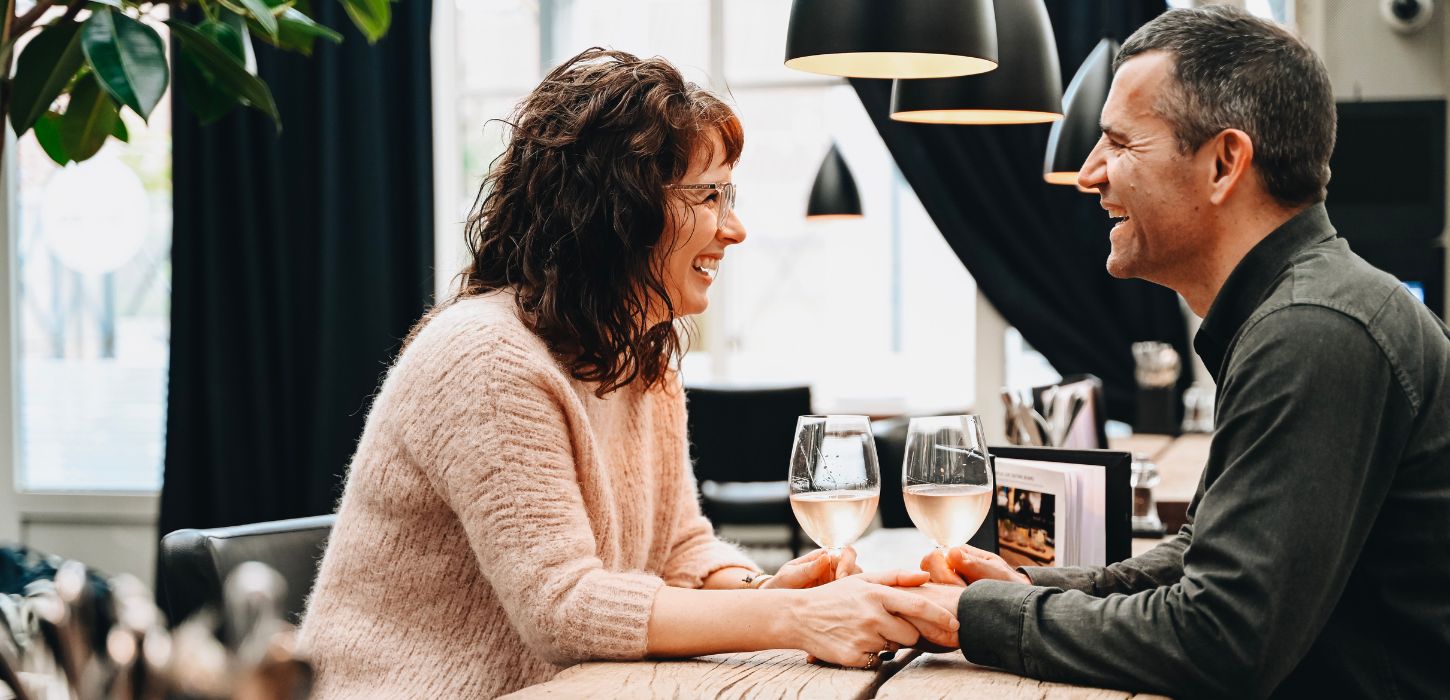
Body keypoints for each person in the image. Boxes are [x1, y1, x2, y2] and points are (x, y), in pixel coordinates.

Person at [296, 48, 957, 698]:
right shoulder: (484, 357)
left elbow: (679, 549)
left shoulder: (640, 355)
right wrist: (792, 620)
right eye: (708, 196)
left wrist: (763, 590)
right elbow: (562, 606)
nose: (736, 229)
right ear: (618, 210)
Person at [907, 6, 1450, 698]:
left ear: (1225, 162)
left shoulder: (1313, 328)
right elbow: (1202, 555)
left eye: (1120, 144)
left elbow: (1219, 637)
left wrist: (975, 618)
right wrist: (1025, 586)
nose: (1089, 173)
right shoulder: (1297, 309)